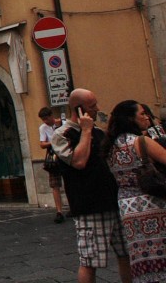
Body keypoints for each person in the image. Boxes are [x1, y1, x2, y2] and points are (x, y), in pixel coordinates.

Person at [52, 88, 132, 283]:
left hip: (114, 202)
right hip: (89, 206)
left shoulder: (99, 132)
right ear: (79, 109)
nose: (97, 109)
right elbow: (78, 161)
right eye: (92, 106)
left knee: (127, 254)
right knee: (90, 261)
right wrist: (85, 130)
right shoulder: (63, 134)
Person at [105, 100, 166, 283]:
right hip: (153, 202)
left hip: (128, 205)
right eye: (142, 114)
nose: (146, 116)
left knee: (141, 254)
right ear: (131, 119)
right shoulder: (141, 142)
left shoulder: (110, 146)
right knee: (161, 251)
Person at [37, 106, 66, 223]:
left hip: (65, 155)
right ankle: (59, 211)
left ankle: (73, 207)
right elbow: (42, 144)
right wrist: (52, 142)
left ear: (51, 116)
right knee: (55, 185)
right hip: (53, 158)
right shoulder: (43, 128)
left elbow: (65, 137)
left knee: (69, 181)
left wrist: (58, 128)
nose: (45, 122)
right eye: (43, 120)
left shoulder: (63, 123)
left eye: (46, 119)